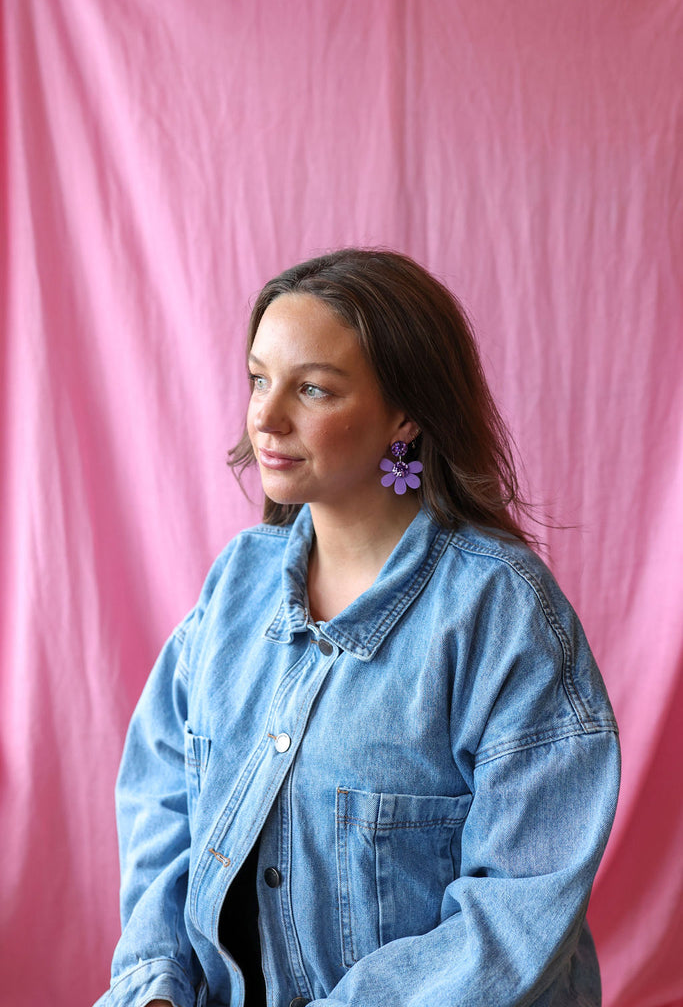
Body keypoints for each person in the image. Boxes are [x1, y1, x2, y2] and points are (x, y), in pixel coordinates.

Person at [95, 249, 620, 1007]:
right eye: (257, 378)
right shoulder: (237, 581)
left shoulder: (500, 614)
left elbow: (515, 911)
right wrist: (154, 985)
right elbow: (161, 797)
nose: (266, 417)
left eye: (312, 388)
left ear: (404, 415)